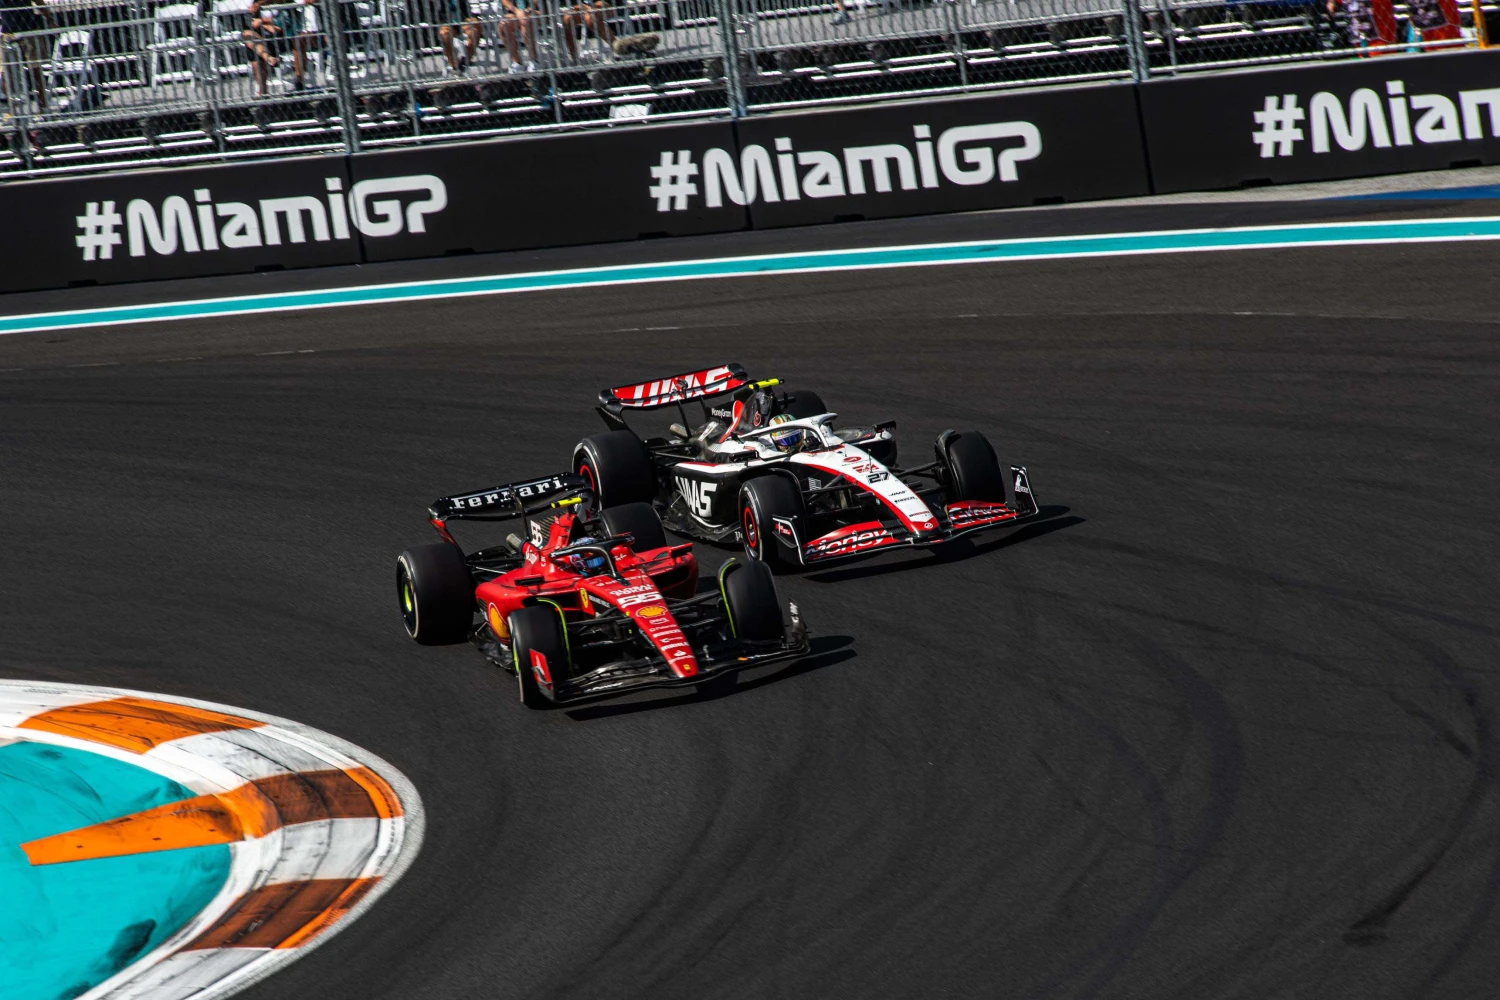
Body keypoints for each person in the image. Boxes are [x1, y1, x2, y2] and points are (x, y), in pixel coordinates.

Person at [243, 0, 313, 95]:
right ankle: (263, 90)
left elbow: (281, 25)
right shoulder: (253, 6)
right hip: (261, 41)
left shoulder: (281, 2)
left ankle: (299, 83)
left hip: (283, 38)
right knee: (248, 37)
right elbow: (250, 26)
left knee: (298, 41)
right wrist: (267, 25)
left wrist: (262, 22)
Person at [1, 0, 49, 112]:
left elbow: (39, 2)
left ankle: (43, 108)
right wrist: (49, 17)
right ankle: (15, 111)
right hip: (9, 33)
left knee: (36, 71)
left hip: (29, 30)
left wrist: (49, 17)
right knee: (7, 74)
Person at [438, 0, 480, 76]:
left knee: (475, 31)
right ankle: (454, 65)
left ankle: (465, 60)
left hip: (464, 17)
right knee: (444, 35)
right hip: (447, 20)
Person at [499, 0, 536, 73]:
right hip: (515, 13)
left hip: (533, 12)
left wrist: (527, 10)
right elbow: (505, 1)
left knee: (526, 22)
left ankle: (534, 60)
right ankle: (516, 62)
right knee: (504, 25)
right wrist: (517, 11)